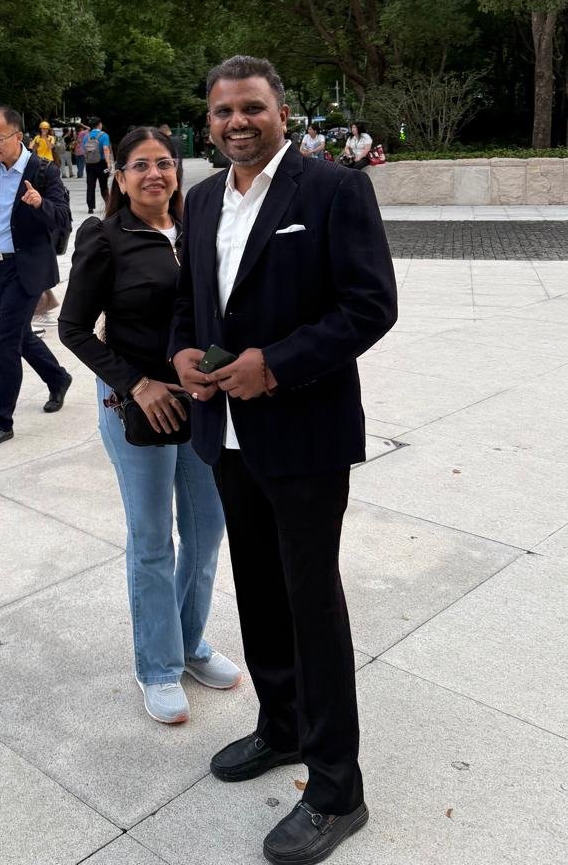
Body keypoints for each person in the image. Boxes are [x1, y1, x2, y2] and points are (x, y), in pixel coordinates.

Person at [169, 55, 397, 865]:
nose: (237, 122)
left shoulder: (333, 190)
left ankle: (337, 789)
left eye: (252, 108)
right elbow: (190, 301)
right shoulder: (201, 199)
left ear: (282, 112)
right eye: (223, 110)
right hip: (225, 432)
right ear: (209, 121)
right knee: (260, 589)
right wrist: (183, 351)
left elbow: (370, 306)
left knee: (311, 604)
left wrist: (277, 364)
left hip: (304, 434)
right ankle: (283, 725)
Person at [58, 127, 240, 725]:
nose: (154, 174)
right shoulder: (105, 237)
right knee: (153, 538)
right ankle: (157, 666)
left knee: (207, 531)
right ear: (120, 176)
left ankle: (189, 643)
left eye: (164, 163)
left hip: (202, 400)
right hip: (135, 404)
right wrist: (136, 384)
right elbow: (73, 328)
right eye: (140, 165)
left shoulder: (200, 229)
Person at [0, 106, 72, 449]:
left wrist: (39, 203)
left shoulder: (43, 171)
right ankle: (58, 377)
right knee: (20, 334)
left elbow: (63, 218)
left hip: (28, 268)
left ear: (18, 136)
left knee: (6, 339)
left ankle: (1, 421)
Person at [84, 116, 111, 214]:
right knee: (103, 185)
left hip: (89, 164)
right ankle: (108, 204)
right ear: (99, 124)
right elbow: (106, 149)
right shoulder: (104, 135)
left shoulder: (86, 136)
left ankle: (90, 207)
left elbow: (84, 150)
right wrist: (108, 163)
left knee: (90, 185)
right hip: (101, 163)